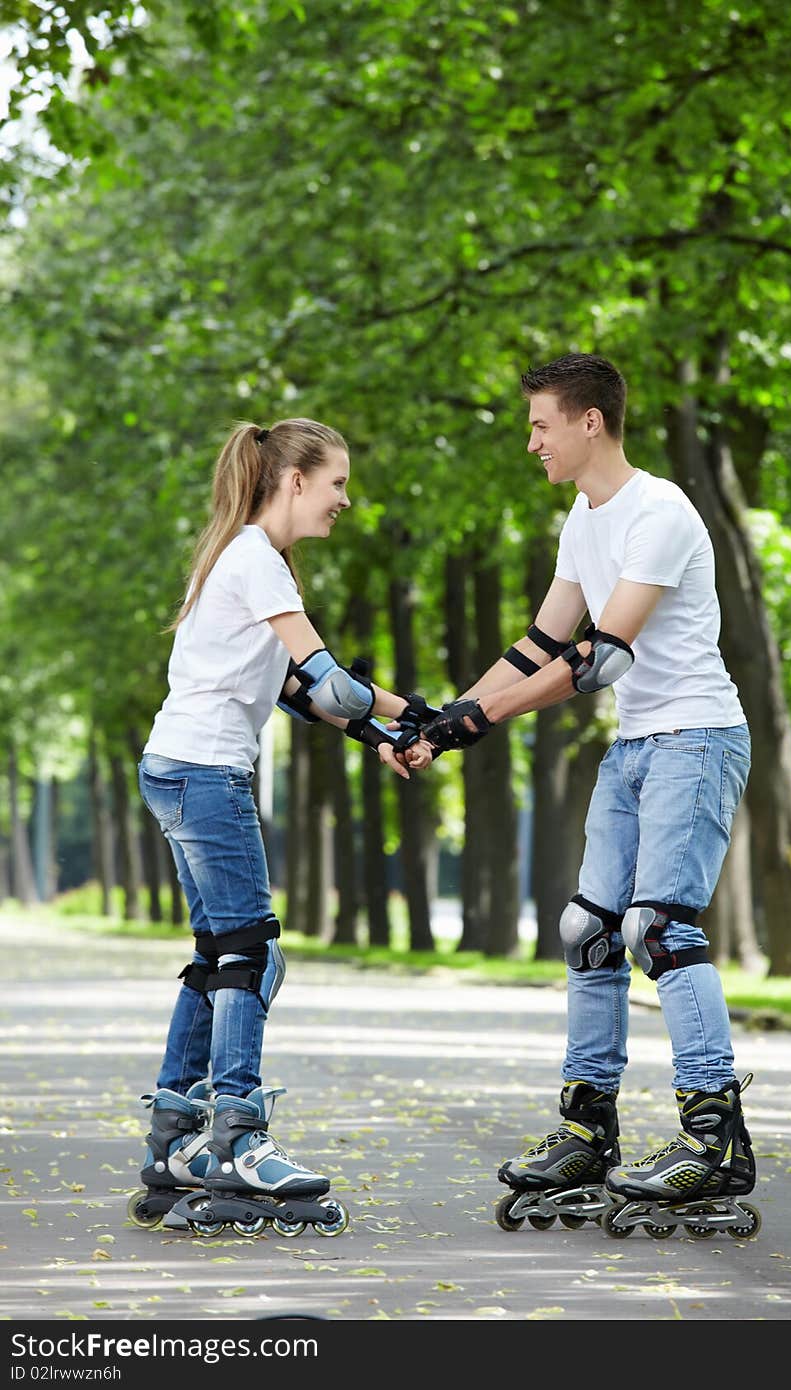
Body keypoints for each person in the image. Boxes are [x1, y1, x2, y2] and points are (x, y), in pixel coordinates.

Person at [404, 353, 758, 1238]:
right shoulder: (582, 518)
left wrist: (476, 721)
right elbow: (537, 645)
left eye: (540, 425)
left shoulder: (661, 512)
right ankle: (586, 1129)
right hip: (635, 746)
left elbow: (599, 658)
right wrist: (444, 720)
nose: (532, 442)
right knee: (588, 930)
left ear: (589, 422)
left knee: (658, 929)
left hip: (696, 737)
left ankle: (713, 1138)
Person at [130, 416, 427, 1239]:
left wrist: (382, 735)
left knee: (218, 953)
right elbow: (329, 681)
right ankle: (236, 1138)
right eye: (337, 482)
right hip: (205, 773)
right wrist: (424, 718)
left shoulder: (249, 557)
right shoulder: (258, 558)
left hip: (174, 767)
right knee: (253, 952)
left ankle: (176, 1135)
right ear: (294, 481)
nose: (345, 499)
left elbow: (298, 691)